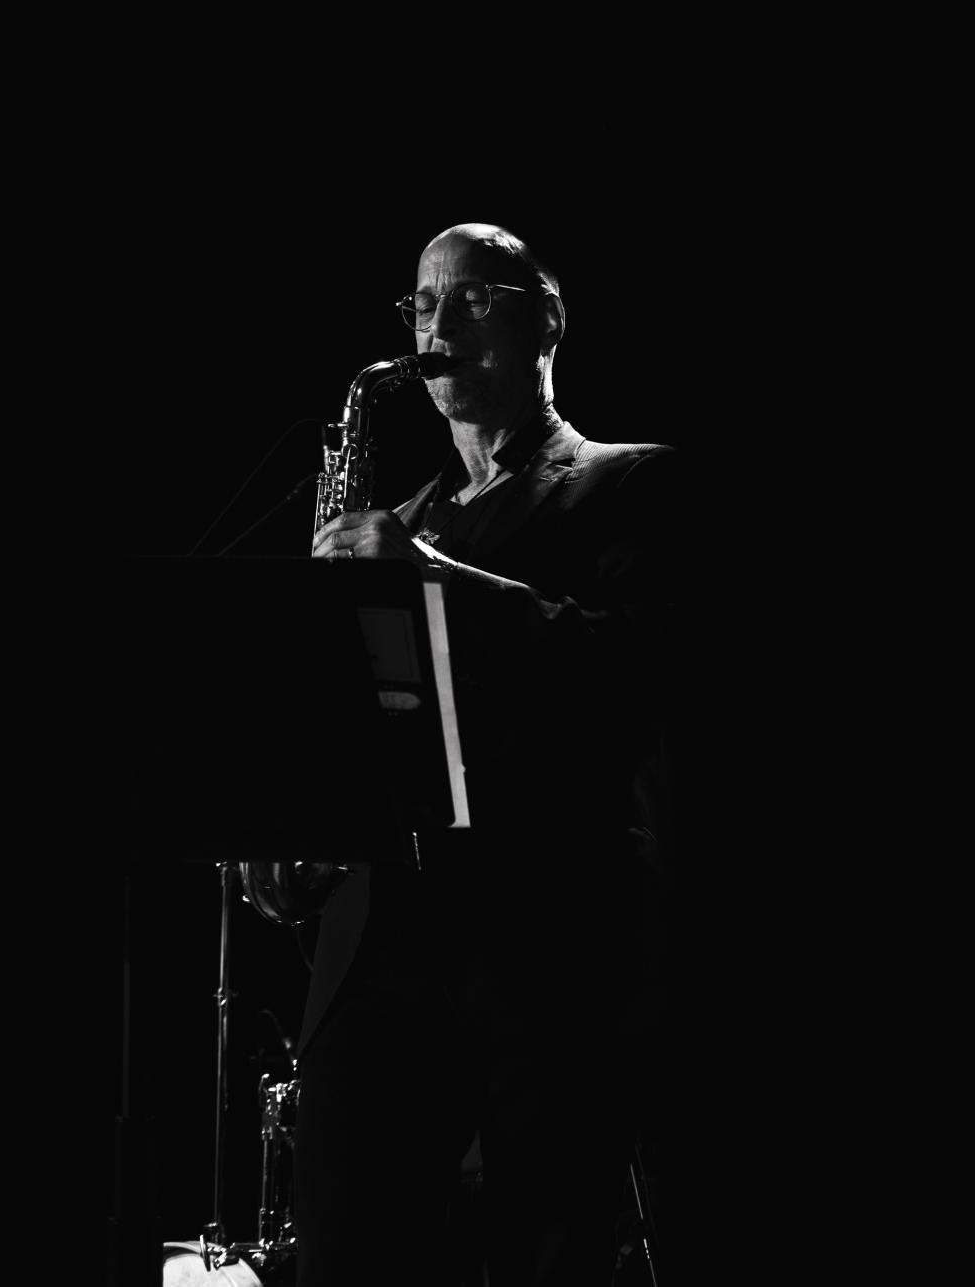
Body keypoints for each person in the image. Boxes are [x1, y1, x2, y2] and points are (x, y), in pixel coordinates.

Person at [294, 222, 678, 1286]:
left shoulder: (631, 480)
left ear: (546, 320)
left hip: (545, 943)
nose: (438, 324)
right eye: (422, 303)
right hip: (374, 949)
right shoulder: (397, 520)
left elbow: (632, 670)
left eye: (471, 297)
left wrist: (432, 581)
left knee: (544, 1253)